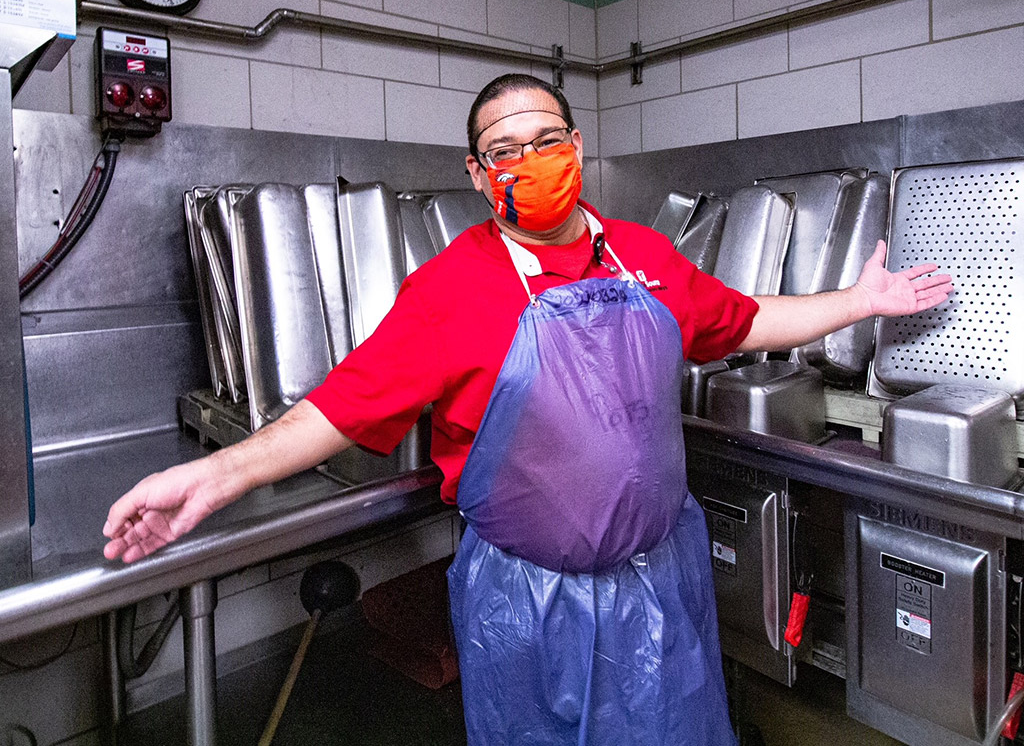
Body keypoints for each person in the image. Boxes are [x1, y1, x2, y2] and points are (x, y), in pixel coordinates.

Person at [103, 74, 952, 745]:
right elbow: (340, 406)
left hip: (665, 589)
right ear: (478, 175)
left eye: (547, 139)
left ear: (577, 146)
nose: (530, 159)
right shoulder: (450, 291)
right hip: (529, 608)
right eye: (504, 150)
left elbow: (746, 319)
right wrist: (215, 476)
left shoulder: (644, 257)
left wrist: (856, 301)